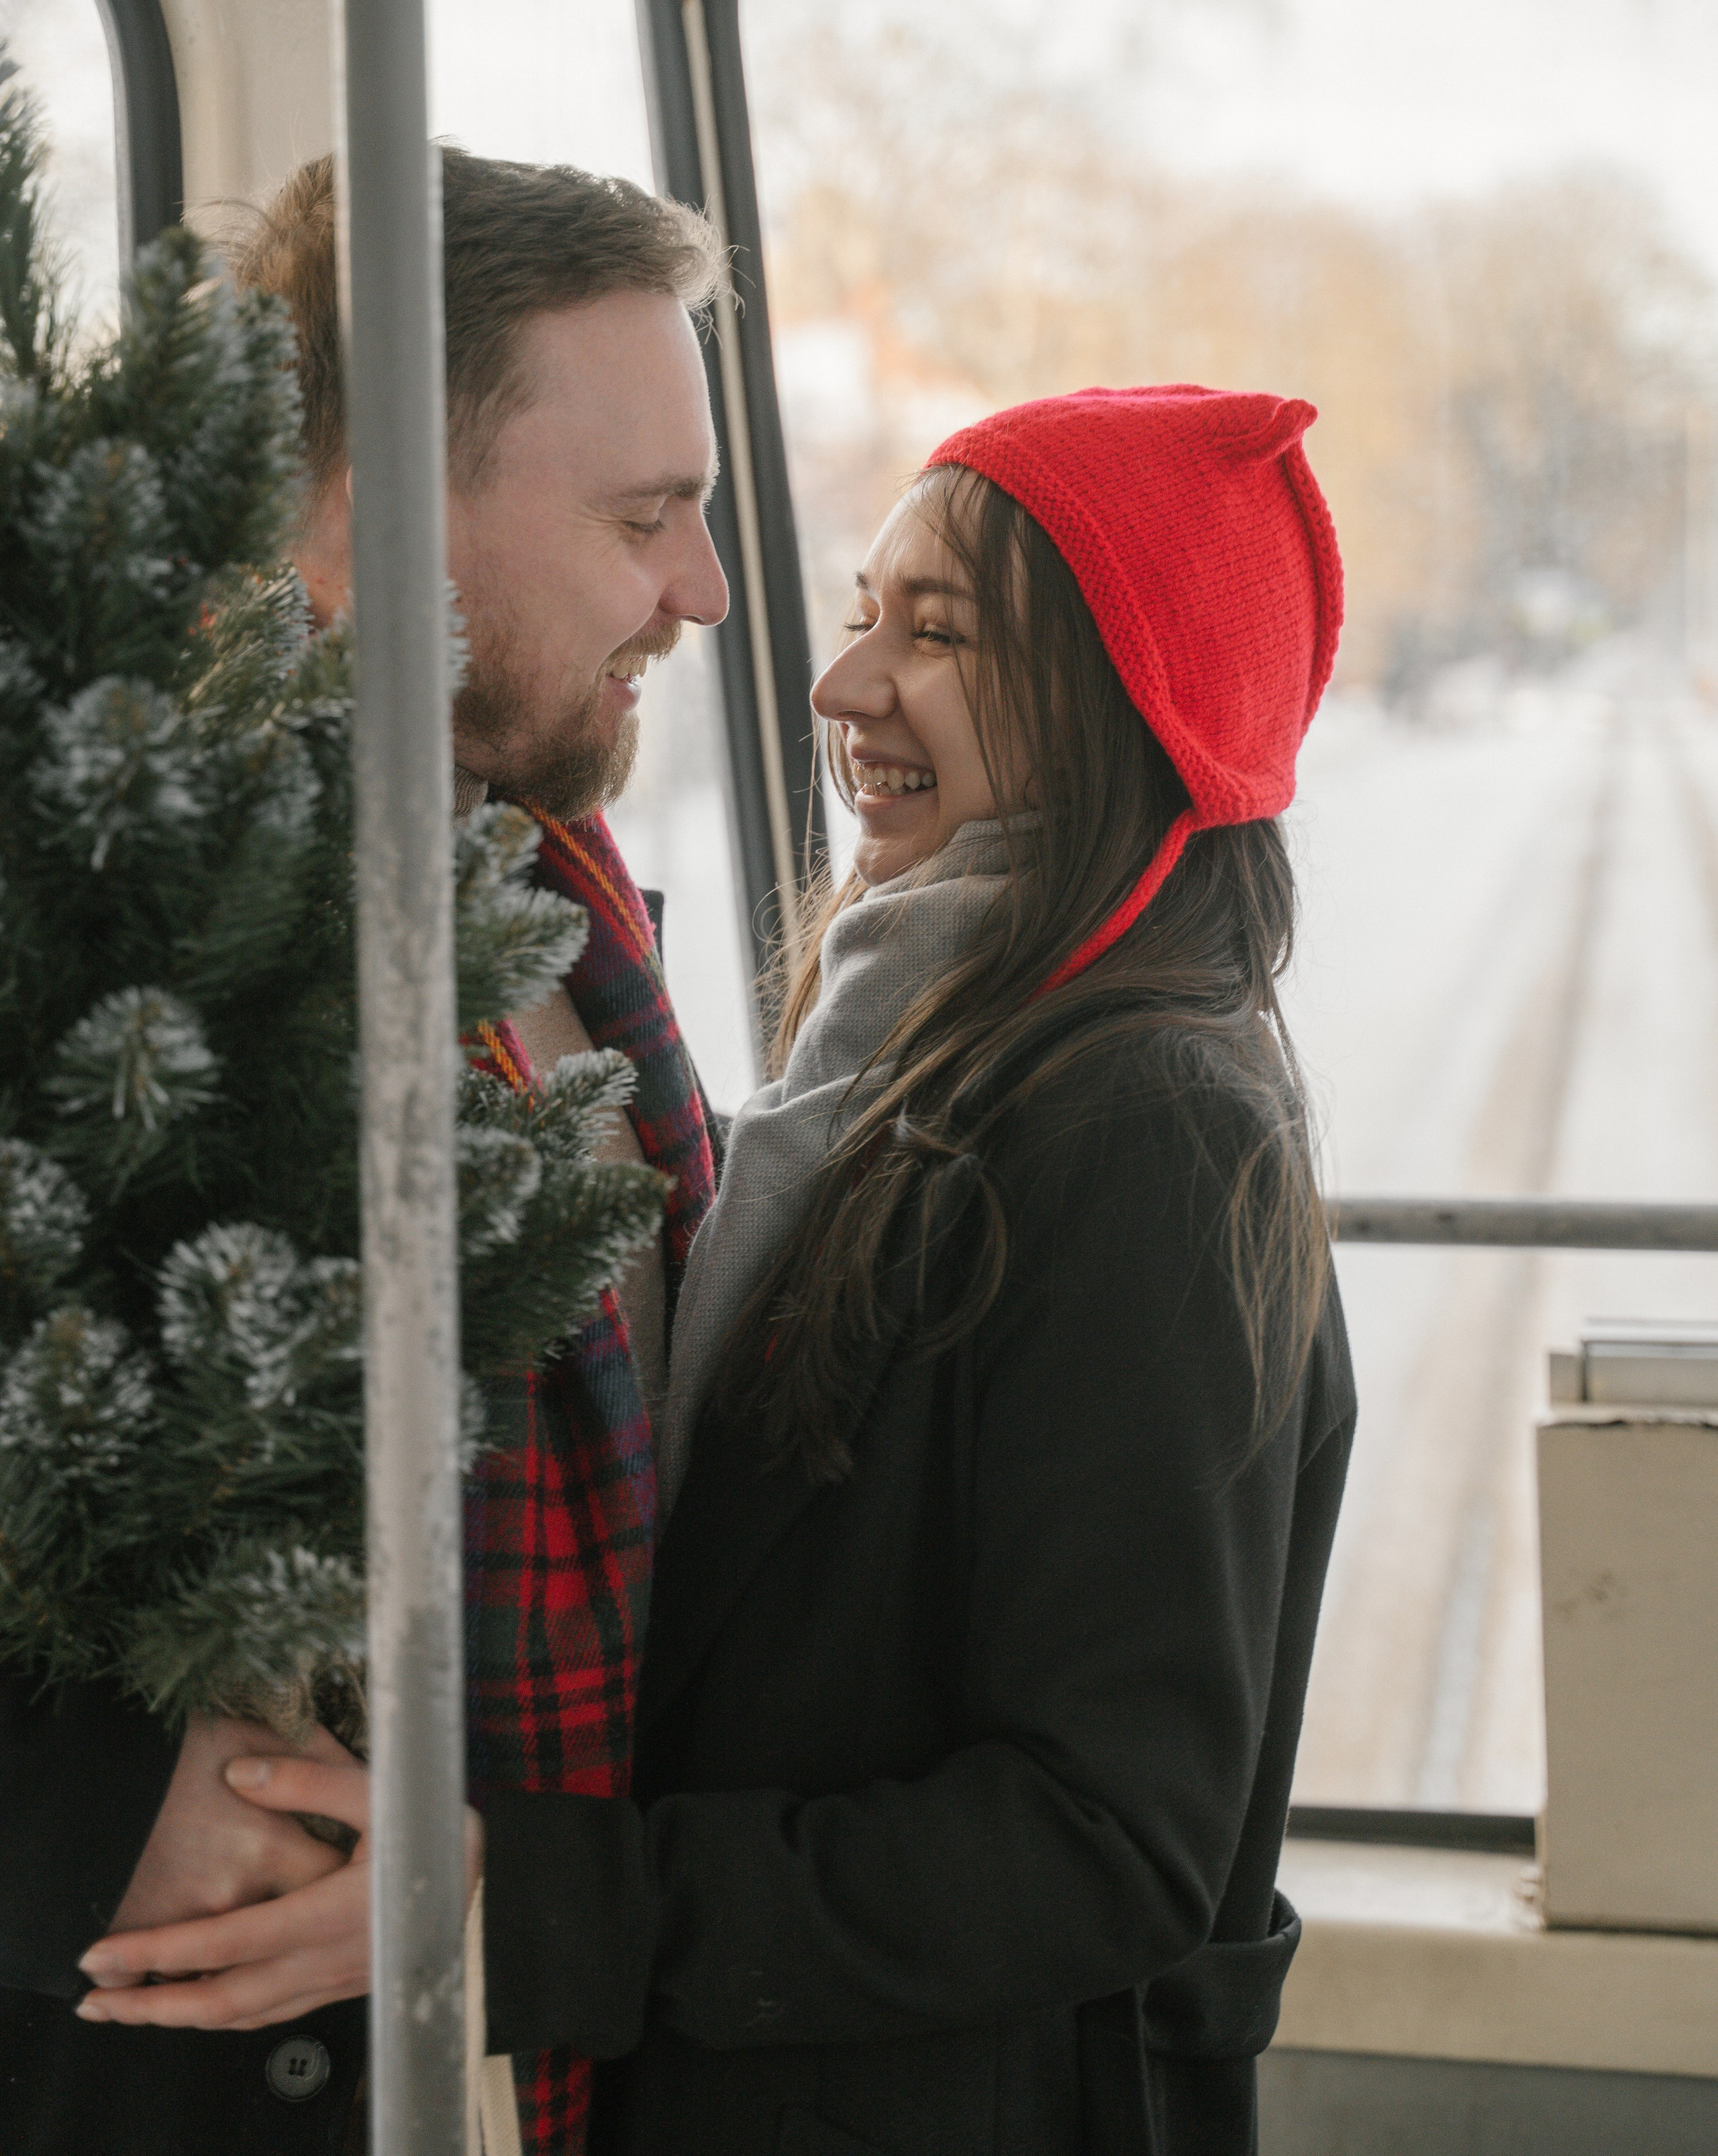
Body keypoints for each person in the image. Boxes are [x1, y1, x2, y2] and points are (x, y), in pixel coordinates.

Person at [73, 381, 1356, 2155]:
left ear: (1133, 698)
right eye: (861, 619)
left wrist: (507, 1901)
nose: (842, 689)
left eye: (942, 634)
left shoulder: (1144, 1122)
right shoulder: (918, 1054)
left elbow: (1110, 1844)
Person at [0, 148, 729, 2156]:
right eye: (643, 519)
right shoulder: (100, 914)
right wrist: (82, 1823)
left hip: (527, 2035)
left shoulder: (549, 896)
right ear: (378, 509)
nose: (705, 595)